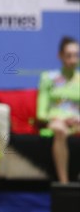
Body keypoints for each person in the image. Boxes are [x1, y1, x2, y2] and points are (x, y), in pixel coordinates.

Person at [37, 36, 80, 184]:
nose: (73, 60)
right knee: (60, 130)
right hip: (55, 122)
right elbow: (41, 113)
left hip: (76, 123)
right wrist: (59, 119)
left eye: (76, 55)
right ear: (60, 56)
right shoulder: (49, 78)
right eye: (69, 55)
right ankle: (64, 184)